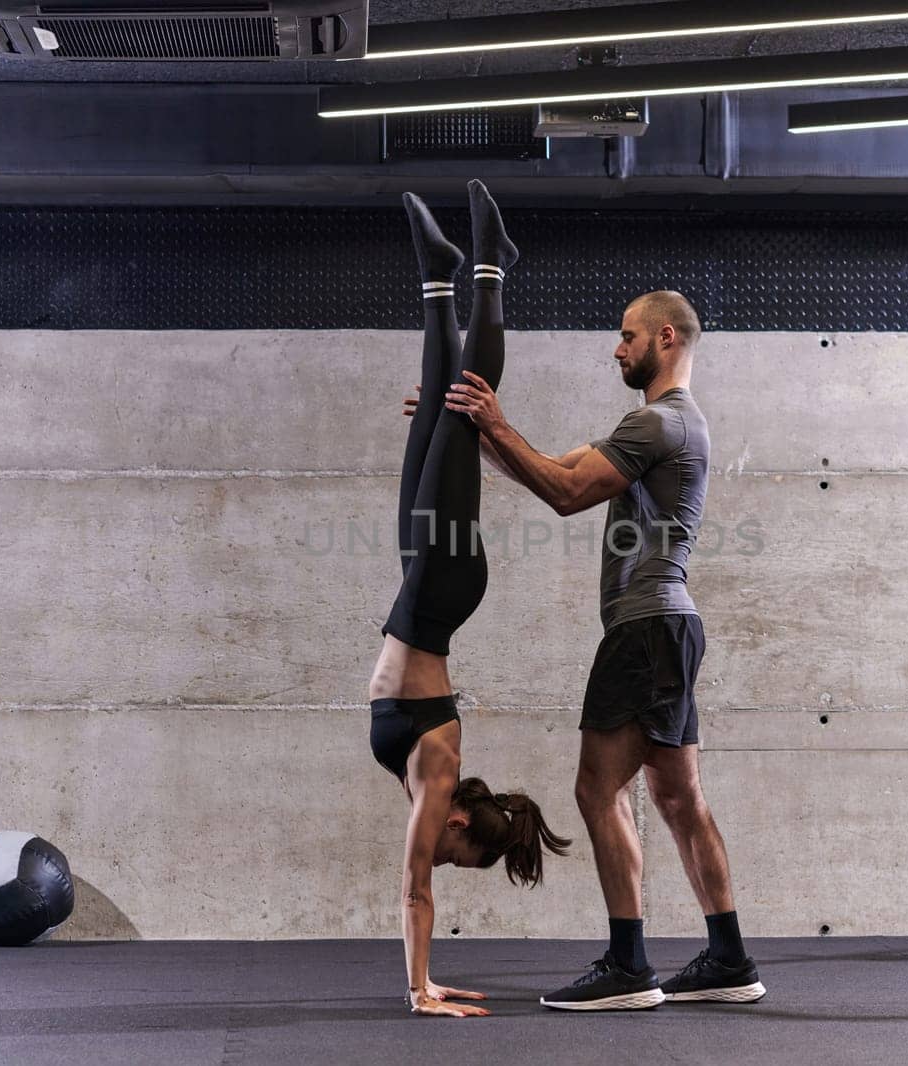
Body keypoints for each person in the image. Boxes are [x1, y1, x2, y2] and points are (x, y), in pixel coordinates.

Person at [443, 290, 765, 1011]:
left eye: (627, 337)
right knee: (679, 797)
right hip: (669, 628)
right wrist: (473, 433)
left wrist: (494, 420)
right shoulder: (671, 426)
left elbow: (563, 491)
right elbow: (549, 465)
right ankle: (730, 957)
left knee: (597, 791)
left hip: (645, 629)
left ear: (667, 338)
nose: (617, 350)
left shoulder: (658, 423)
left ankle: (628, 966)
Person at [369, 181, 572, 1019]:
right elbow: (416, 888)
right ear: (461, 827)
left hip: (425, 587)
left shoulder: (434, 781)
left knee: (432, 421)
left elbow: (421, 878)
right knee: (460, 407)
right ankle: (490, 265)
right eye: (458, 855)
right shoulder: (439, 774)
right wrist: (421, 990)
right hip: (444, 587)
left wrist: (425, 981)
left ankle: (440, 274)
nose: (438, 855)